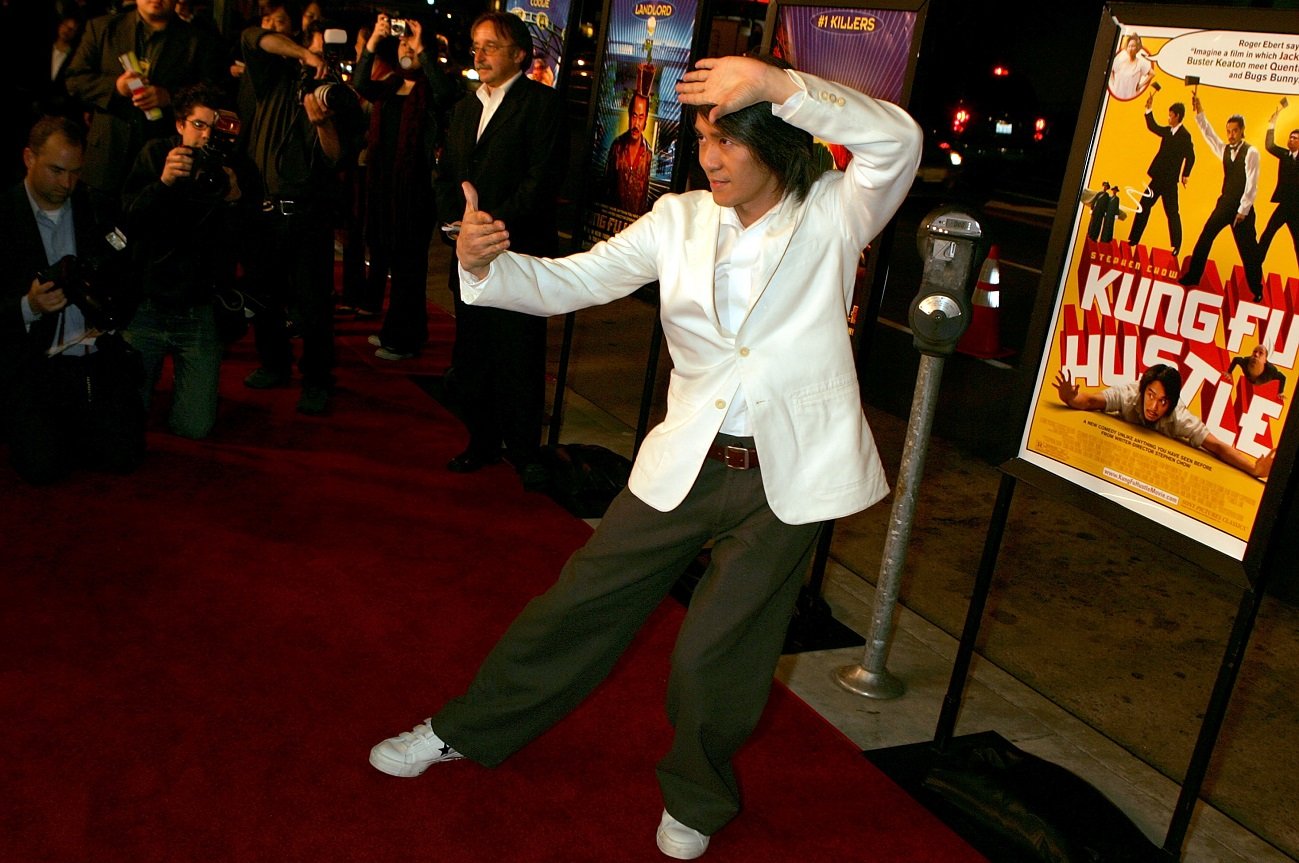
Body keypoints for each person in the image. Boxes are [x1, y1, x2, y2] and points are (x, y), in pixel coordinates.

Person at [369, 55, 922, 859]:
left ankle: (697, 795)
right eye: (701, 138)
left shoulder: (837, 208)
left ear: (780, 140)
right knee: (576, 604)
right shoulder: (678, 219)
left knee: (714, 655)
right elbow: (573, 282)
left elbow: (896, 140)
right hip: (687, 460)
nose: (710, 158)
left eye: (730, 141)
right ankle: (464, 729)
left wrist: (777, 84)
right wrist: (484, 264)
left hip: (786, 476)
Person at [435, 11, 566, 486]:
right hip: (466, 253)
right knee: (473, 353)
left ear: (519, 53)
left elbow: (541, 181)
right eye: (476, 45)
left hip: (518, 252)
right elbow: (447, 174)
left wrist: (488, 229)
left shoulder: (542, 105)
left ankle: (525, 449)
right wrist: (456, 228)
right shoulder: (467, 106)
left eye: (491, 46)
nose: (480, 55)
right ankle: (482, 440)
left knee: (519, 354)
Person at [0, 116, 145, 484]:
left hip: (95, 358)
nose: (67, 183)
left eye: (75, 172)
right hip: (34, 364)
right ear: (28, 158)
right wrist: (28, 307)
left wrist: (109, 309)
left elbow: (130, 274)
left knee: (123, 459)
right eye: (57, 170)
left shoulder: (96, 206)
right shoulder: (3, 216)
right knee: (44, 470)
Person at [120, 82, 258, 438]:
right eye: (198, 124)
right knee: (124, 416)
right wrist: (163, 183)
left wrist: (235, 199)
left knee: (193, 427)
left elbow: (252, 243)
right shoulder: (156, 154)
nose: (207, 135)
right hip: (147, 304)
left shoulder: (234, 167)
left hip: (199, 307)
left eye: (216, 126)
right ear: (179, 124)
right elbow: (129, 223)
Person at [239, 6, 352, 416]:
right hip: (261, 210)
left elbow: (338, 159)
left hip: (308, 215)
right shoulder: (272, 78)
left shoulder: (340, 98)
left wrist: (322, 123)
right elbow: (253, 37)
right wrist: (305, 57)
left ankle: (317, 379)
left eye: (330, 59)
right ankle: (273, 363)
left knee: (314, 303)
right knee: (263, 294)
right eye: (318, 53)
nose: (324, 65)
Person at [352, 13, 458, 361]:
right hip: (385, 188)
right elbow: (361, 83)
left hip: (416, 192)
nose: (405, 47)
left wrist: (423, 48)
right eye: (401, 42)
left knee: (409, 267)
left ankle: (404, 339)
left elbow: (445, 94)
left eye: (410, 42)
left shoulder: (432, 89)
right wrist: (371, 43)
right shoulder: (391, 84)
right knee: (391, 259)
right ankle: (398, 330)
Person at [64, 0, 224, 222]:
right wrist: (116, 88)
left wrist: (169, 96)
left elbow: (213, 91)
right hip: (107, 156)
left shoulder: (197, 40)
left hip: (160, 159)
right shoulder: (102, 28)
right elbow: (74, 80)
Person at [1054, 365, 1274, 478]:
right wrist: (1070, 397)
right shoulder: (1129, 394)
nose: (1153, 407)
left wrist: (1254, 468)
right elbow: (1090, 401)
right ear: (1142, 390)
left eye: (1163, 401)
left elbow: (1216, 446)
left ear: (1172, 403)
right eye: (1150, 395)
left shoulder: (1179, 416)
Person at [1179, 96, 1265, 302]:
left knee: (1248, 251)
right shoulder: (1225, 149)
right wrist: (1199, 114)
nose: (1231, 135)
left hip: (1242, 208)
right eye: (1228, 131)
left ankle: (1257, 289)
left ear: (1242, 130)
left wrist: (1243, 211)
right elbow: (1210, 136)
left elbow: (1252, 184)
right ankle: (1193, 275)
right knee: (1206, 236)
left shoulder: (1252, 152)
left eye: (1235, 130)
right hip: (1224, 203)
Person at [1127, 93, 1194, 256]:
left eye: (1170, 116)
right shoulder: (1167, 130)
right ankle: (1134, 239)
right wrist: (1148, 108)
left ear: (1177, 116)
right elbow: (1153, 126)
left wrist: (1185, 174)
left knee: (1172, 213)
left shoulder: (1185, 136)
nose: (1169, 118)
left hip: (1170, 182)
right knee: (1143, 206)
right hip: (1157, 178)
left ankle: (1176, 245)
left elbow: (1191, 156)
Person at [1258, 104, 1298, 269]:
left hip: (1296, 209)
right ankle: (1254, 264)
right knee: (1267, 234)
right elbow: (1269, 146)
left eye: (1295, 138)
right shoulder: (1284, 155)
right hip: (1284, 205)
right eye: (1290, 137)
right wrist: (1272, 123)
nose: (1291, 140)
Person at [605, 91, 653, 215]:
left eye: (641, 117)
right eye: (634, 116)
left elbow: (645, 196)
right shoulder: (617, 146)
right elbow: (606, 186)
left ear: (645, 121)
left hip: (635, 225)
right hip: (613, 219)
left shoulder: (648, 154)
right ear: (629, 116)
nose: (636, 123)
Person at [1222, 344, 1287, 402]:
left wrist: (1280, 392)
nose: (1256, 354)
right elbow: (1236, 359)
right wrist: (1229, 372)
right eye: (1254, 352)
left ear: (1265, 360)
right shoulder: (1245, 362)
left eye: (1261, 353)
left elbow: (1283, 377)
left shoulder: (1271, 371)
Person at [1108, 34, 1153, 100]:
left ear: (1137, 48)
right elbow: (1111, 69)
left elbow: (1152, 74)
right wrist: (1113, 82)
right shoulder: (1121, 61)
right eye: (1129, 46)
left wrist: (1140, 85)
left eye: (1133, 46)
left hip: (1131, 96)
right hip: (1117, 95)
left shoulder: (1141, 63)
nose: (1130, 48)